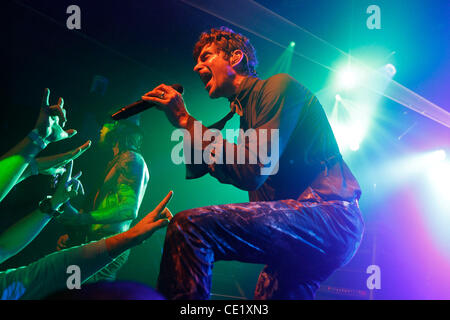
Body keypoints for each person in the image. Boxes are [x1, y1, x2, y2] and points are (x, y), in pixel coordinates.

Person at [141, 27, 364, 299]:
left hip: (330, 214)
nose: (196, 66)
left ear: (235, 58)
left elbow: (252, 170)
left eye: (206, 57)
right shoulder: (246, 119)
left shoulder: (277, 87)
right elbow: (243, 173)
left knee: (190, 227)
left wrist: (186, 122)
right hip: (306, 223)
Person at [56, 116, 149, 283]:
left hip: (108, 242)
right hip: (96, 242)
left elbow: (128, 209)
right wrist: (75, 234)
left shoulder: (131, 159)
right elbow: (101, 205)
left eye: (104, 125)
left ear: (118, 127)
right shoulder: (118, 160)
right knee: (72, 289)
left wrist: (80, 218)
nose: (100, 130)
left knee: (79, 292)